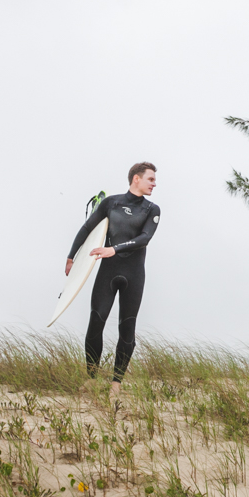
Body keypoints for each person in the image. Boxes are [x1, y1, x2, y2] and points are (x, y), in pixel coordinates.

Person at [65, 162, 161, 398]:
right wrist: (71, 257)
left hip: (134, 273)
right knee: (95, 323)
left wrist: (113, 249)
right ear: (136, 178)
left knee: (127, 327)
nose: (154, 184)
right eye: (150, 179)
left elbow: (144, 238)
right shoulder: (111, 203)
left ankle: (116, 383)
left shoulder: (152, 209)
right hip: (108, 272)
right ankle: (91, 378)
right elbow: (87, 227)